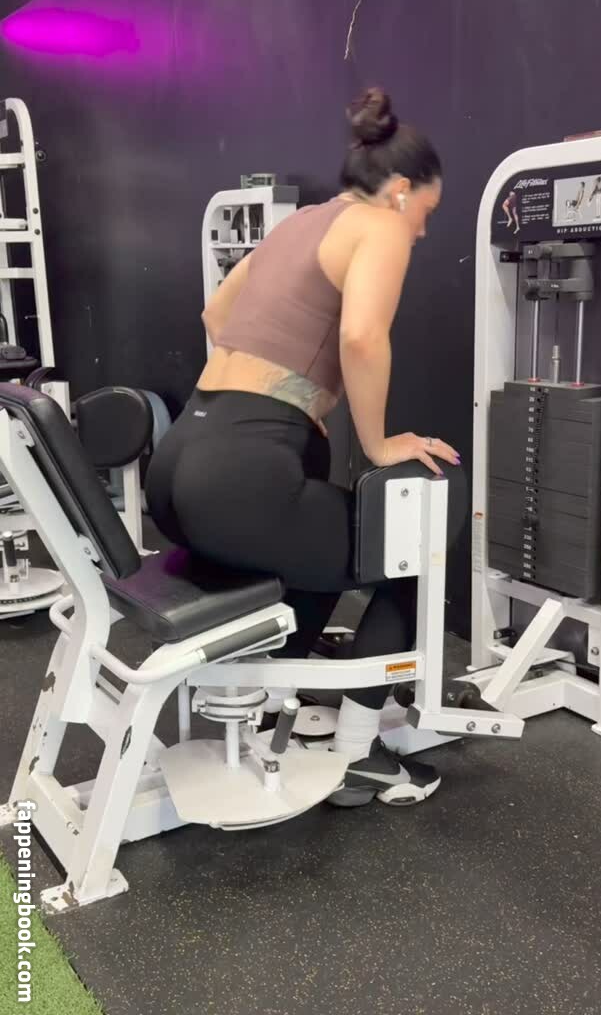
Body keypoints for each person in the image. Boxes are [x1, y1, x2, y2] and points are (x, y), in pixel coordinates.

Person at [146, 87, 460, 808]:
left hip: (184, 455)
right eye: (426, 214)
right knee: (410, 555)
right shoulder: (379, 226)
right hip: (240, 473)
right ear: (401, 191)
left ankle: (274, 709)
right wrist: (378, 443)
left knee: (321, 548)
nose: (419, 233)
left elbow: (216, 313)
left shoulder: (300, 225)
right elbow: (361, 336)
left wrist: (270, 395)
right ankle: (359, 755)